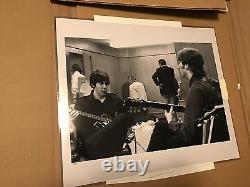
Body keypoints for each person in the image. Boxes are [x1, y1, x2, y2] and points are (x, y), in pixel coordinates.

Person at [147, 48, 226, 151]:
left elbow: (187, 134)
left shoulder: (196, 89)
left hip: (197, 140)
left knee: (160, 127)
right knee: (163, 123)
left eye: (179, 62)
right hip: (213, 134)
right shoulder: (213, 83)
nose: (178, 66)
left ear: (186, 65)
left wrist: (171, 121)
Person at [70, 70, 133, 161]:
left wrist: (128, 132)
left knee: (123, 116)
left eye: (106, 84)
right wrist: (72, 121)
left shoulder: (115, 100)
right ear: (93, 85)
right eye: (101, 84)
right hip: (92, 145)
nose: (104, 87)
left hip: (113, 143)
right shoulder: (82, 103)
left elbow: (127, 121)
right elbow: (79, 131)